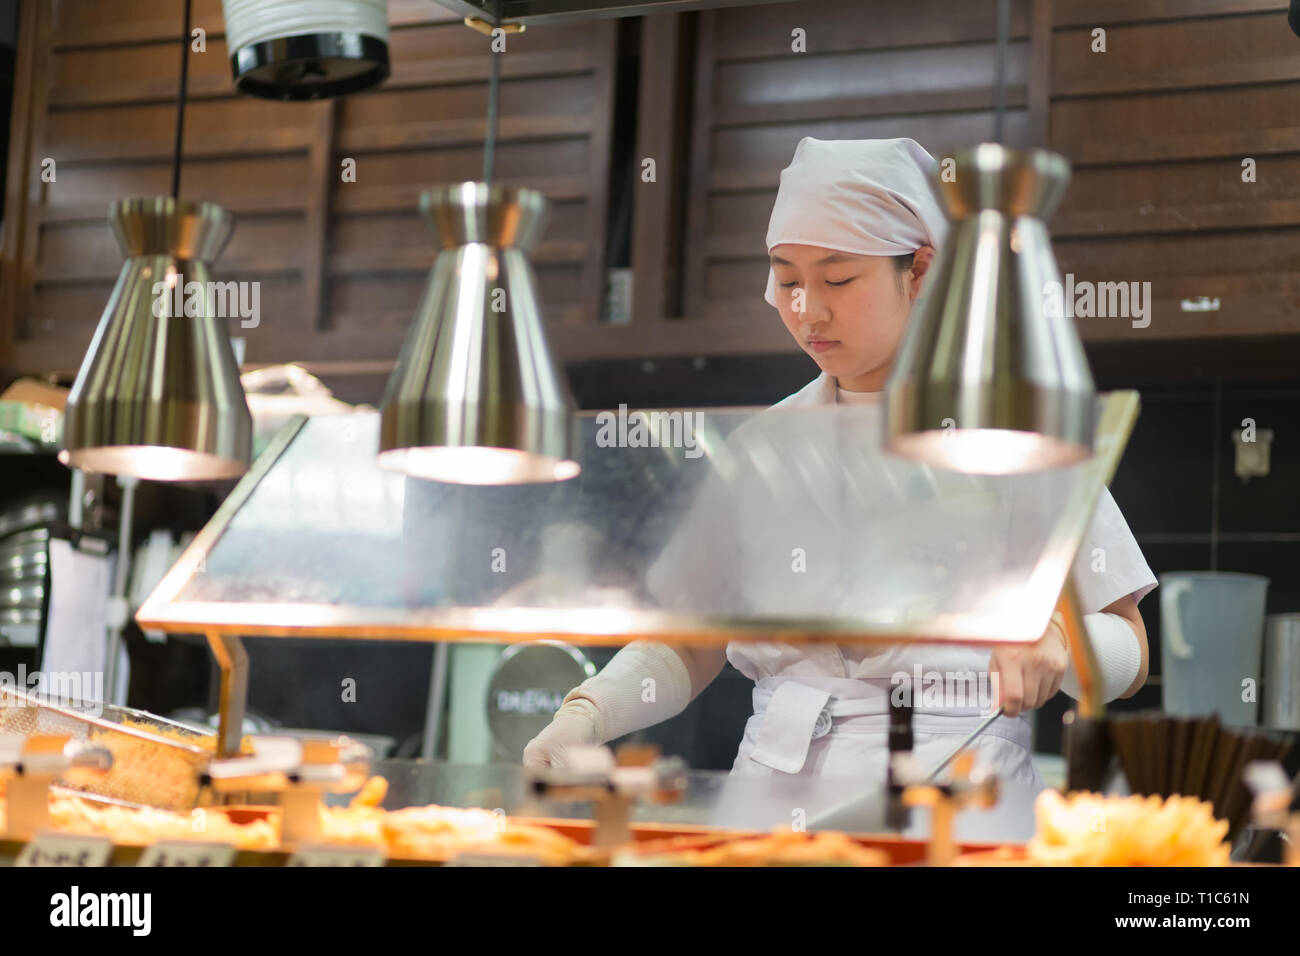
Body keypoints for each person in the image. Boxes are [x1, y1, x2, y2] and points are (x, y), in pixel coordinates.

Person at [523, 138, 1155, 795]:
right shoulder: (761, 447)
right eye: (788, 280)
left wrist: (1059, 639)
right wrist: (589, 712)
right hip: (770, 799)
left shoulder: (1012, 434)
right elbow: (689, 642)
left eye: (838, 279)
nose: (807, 310)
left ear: (920, 271)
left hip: (960, 795)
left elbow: (1131, 648)